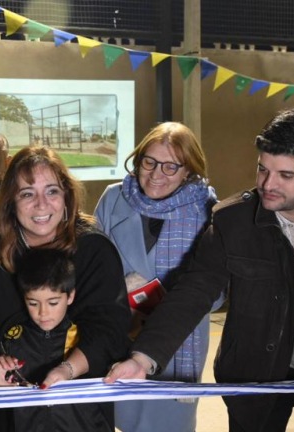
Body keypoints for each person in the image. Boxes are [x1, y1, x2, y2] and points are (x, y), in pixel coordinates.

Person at [106, 108, 294, 432]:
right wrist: (141, 358)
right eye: (262, 169)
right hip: (253, 378)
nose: (267, 184)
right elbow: (193, 293)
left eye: (285, 175)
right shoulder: (233, 221)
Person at [0, 145, 129, 432]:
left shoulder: (94, 249)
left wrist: (67, 370)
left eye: (52, 191)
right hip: (8, 405)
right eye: (27, 193)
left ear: (67, 197)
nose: (42, 204)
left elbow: (110, 330)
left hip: (79, 404)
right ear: (10, 201)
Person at [94, 122, 219, 432]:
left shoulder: (207, 210)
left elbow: (216, 290)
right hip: (119, 327)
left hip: (176, 339)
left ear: (188, 170)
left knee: (167, 422)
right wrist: (124, 290)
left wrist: (167, 300)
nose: (155, 173)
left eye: (170, 166)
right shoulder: (113, 198)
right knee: (113, 411)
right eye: (149, 161)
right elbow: (91, 263)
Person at [0, 248, 109, 431]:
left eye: (53, 303)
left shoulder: (87, 338)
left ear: (70, 296)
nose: (43, 313)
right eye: (33, 303)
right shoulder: (9, 338)